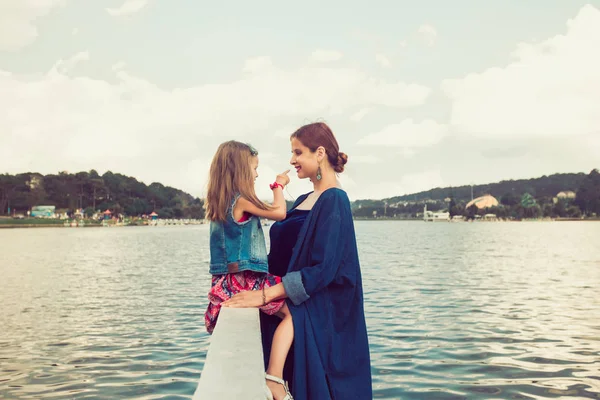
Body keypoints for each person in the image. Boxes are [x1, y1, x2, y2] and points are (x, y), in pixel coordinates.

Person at [223, 123, 373, 399]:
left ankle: (276, 381)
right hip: (284, 296)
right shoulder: (306, 198)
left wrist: (265, 294)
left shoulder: (334, 200)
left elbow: (324, 269)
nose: (291, 160)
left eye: (298, 152)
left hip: (315, 307)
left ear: (319, 153)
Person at [204, 140, 295, 400]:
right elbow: (279, 212)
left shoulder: (218, 203)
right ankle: (274, 378)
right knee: (296, 314)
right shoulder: (241, 200)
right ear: (241, 170)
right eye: (254, 168)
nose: (256, 174)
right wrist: (278, 186)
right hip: (244, 281)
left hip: (227, 281)